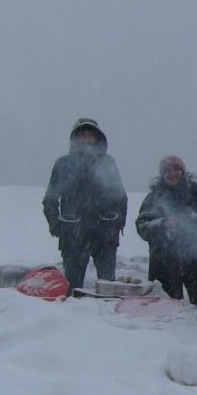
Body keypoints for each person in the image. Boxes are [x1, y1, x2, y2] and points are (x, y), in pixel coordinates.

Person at [43, 118, 127, 295]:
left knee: (107, 286)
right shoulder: (63, 164)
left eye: (90, 135)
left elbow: (121, 197)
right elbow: (50, 199)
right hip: (73, 232)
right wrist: (56, 226)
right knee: (72, 286)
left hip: (105, 231)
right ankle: (72, 320)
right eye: (83, 135)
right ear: (75, 138)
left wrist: (117, 224)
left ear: (97, 138)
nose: (87, 139)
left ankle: (107, 321)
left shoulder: (108, 163)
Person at [136, 156, 197, 313]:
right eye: (167, 171)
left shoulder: (195, 194)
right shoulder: (153, 197)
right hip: (163, 262)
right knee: (167, 311)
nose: (173, 174)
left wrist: (190, 218)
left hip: (194, 260)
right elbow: (142, 226)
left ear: (182, 171)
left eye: (176, 169)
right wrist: (163, 223)